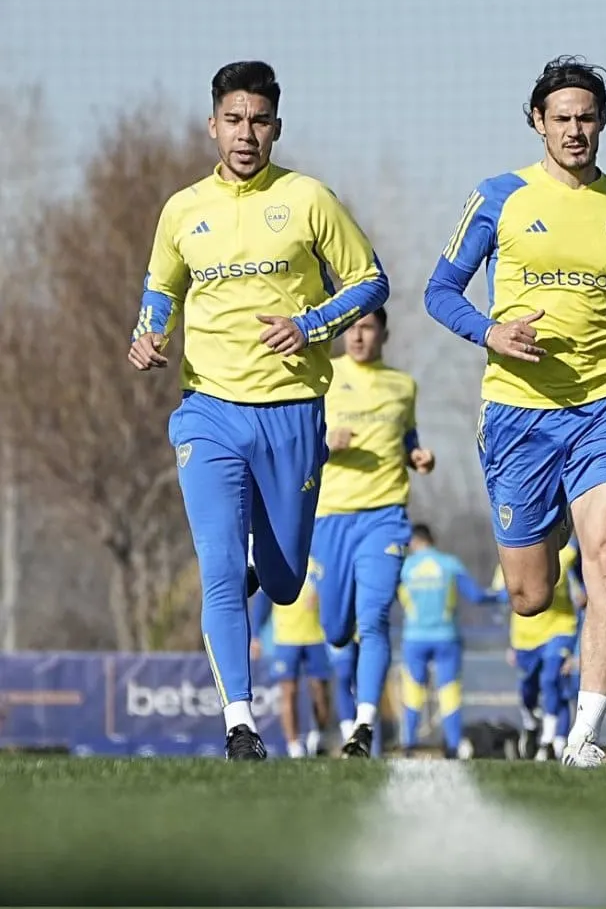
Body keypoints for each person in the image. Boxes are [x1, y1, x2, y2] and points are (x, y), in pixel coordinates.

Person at [127, 61, 388, 761]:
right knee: (218, 566)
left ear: (277, 127)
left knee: (282, 580)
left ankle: (265, 559)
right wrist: (147, 334)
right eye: (234, 120)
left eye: (260, 121)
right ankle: (240, 722)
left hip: (292, 411)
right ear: (213, 125)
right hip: (208, 410)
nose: (246, 134)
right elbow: (161, 291)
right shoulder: (183, 210)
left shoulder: (308, 199)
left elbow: (370, 281)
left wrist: (309, 324)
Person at [424, 55, 606, 768]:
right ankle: (550, 517)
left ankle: (584, 735)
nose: (575, 130)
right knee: (530, 596)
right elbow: (440, 291)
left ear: (602, 122)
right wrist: (491, 331)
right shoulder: (499, 196)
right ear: (538, 122)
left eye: (587, 116)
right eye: (561, 117)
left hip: (599, 407)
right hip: (517, 414)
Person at [310, 308, 435, 758]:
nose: (358, 337)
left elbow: (408, 438)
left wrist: (417, 455)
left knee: (375, 616)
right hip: (331, 517)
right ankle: (353, 692)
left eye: (367, 328)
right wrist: (326, 444)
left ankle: (364, 725)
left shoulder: (403, 385)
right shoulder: (321, 376)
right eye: (351, 330)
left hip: (385, 515)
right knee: (337, 629)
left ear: (384, 332)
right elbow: (297, 445)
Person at [398, 523, 499, 758]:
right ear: (432, 539)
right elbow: (476, 596)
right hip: (446, 637)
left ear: (414, 542)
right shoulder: (449, 564)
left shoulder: (405, 568)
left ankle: (409, 745)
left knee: (413, 691)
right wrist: (505, 596)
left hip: (414, 638)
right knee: (449, 691)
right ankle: (453, 746)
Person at [494, 539, 585, 761]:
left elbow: (586, 592)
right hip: (525, 639)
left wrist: (578, 651)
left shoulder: (568, 553)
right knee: (528, 692)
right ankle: (531, 724)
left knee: (551, 680)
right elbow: (503, 598)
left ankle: (550, 742)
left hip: (560, 630)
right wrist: (511, 643)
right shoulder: (510, 557)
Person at [250, 555, 331, 758]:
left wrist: (322, 599)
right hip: (286, 638)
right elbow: (264, 598)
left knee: (320, 691)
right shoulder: (283, 560)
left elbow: (333, 590)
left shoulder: (319, 561)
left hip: (316, 636)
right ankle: (293, 745)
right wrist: (256, 636)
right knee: (288, 692)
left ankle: (319, 735)